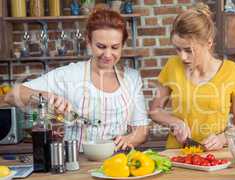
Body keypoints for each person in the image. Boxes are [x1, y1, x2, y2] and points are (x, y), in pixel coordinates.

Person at [4, 8, 149, 150]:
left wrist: (129, 139)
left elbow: (141, 130)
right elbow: (12, 95)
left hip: (117, 162)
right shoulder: (70, 74)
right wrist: (45, 97)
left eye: (115, 47)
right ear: (88, 42)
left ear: (123, 45)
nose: (108, 54)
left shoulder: (132, 78)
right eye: (101, 46)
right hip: (76, 162)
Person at [150, 3, 235, 150]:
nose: (182, 57)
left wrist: (223, 138)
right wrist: (175, 122)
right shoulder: (172, 65)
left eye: (189, 50)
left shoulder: (232, 71)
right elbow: (155, 111)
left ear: (208, 43)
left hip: (214, 156)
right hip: (177, 154)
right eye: (178, 49)